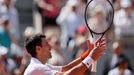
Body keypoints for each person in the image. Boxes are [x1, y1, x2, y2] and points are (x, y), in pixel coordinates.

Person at [24, 33, 106, 75]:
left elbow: (65, 68)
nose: (50, 46)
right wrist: (90, 58)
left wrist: (88, 54)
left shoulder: (40, 66)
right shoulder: (36, 68)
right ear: (38, 49)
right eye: (46, 44)